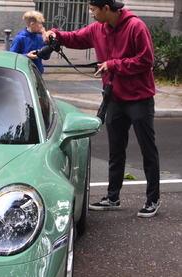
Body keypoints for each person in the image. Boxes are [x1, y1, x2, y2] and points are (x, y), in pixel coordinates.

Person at [43, 0, 160, 218]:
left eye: (93, 10)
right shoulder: (98, 28)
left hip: (139, 98)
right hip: (114, 97)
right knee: (115, 151)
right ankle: (112, 197)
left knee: (147, 150)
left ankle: (152, 199)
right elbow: (76, 38)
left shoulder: (136, 26)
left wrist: (114, 64)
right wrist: (55, 33)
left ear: (106, 8)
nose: (92, 15)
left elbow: (146, 60)